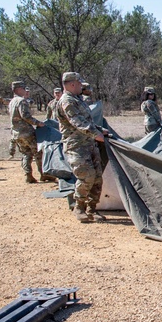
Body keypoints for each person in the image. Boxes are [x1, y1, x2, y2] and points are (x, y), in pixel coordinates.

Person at [58, 71, 106, 223]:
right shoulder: (67, 101)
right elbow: (77, 122)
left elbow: (86, 120)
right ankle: (79, 207)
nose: (81, 86)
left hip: (89, 144)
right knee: (86, 176)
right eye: (79, 84)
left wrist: (99, 129)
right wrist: (96, 134)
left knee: (97, 177)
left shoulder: (78, 99)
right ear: (72, 84)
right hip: (76, 146)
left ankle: (92, 208)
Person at [8, 80, 46, 183]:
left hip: (17, 133)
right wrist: (38, 123)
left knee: (26, 154)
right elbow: (25, 116)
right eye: (24, 88)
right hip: (26, 132)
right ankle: (44, 174)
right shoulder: (21, 101)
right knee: (38, 153)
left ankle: (28, 174)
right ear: (19, 89)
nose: (25, 91)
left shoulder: (12, 102)